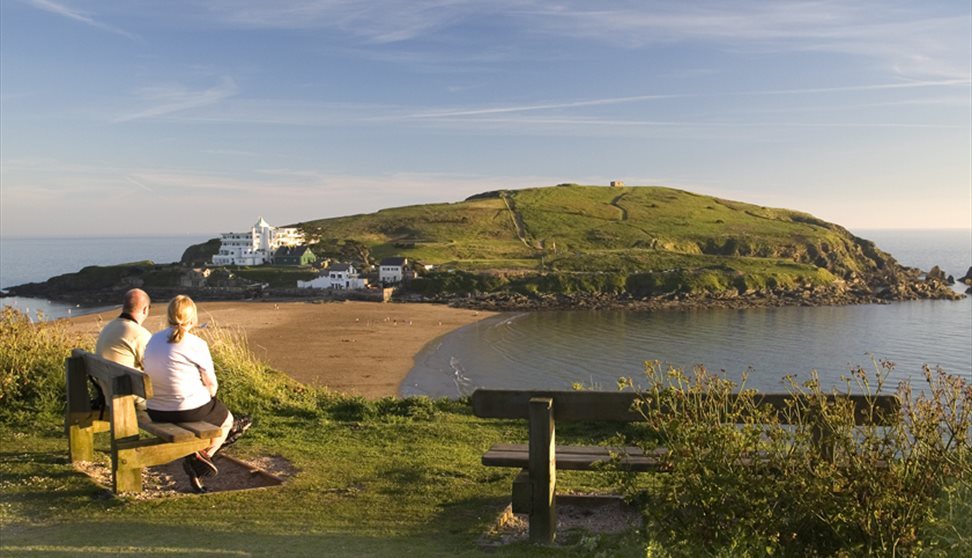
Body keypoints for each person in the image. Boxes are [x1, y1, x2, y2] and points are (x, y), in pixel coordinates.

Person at [142, 295, 249, 493]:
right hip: (187, 409)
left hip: (156, 411)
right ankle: (201, 456)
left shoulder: (153, 340)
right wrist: (206, 396)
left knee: (208, 411)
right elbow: (211, 385)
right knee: (227, 421)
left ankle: (198, 457)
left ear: (168, 316)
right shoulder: (196, 344)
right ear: (192, 320)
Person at [94, 288, 152, 409]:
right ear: (146, 309)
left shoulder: (108, 327)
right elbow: (153, 368)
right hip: (129, 398)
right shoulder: (139, 334)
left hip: (108, 395)